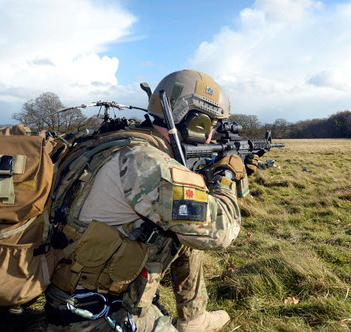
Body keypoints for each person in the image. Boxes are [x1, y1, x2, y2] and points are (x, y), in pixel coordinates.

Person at [44, 69, 257, 332]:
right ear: (194, 121)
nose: (212, 136)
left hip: (69, 288)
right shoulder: (145, 161)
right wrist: (224, 178)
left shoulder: (123, 141)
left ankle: (194, 319)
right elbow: (220, 232)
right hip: (93, 316)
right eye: (210, 125)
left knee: (183, 237)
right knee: (196, 230)